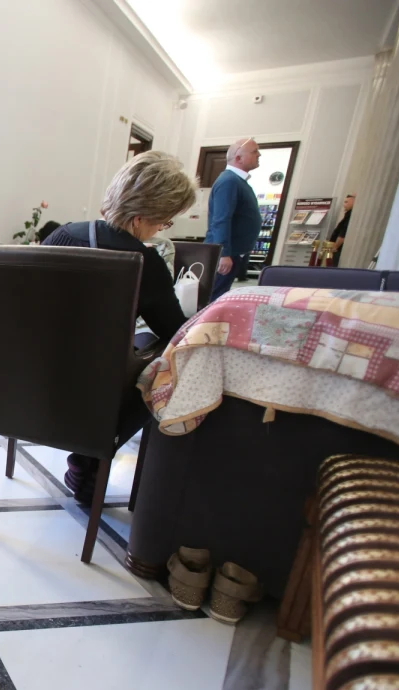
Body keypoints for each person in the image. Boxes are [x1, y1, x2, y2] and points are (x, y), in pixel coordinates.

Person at [41, 151, 197, 504]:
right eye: (164, 222)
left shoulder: (60, 236)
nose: (162, 229)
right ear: (142, 217)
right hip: (92, 401)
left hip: (34, 385)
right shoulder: (145, 261)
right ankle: (93, 455)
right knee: (165, 363)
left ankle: (86, 457)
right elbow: (176, 330)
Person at [206, 137, 262, 300]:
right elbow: (221, 219)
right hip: (226, 253)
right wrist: (224, 253)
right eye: (254, 152)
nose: (259, 155)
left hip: (234, 251)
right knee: (213, 296)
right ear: (238, 158)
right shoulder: (229, 181)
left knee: (219, 294)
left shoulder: (237, 181)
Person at [329, 193, 355, 266]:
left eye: (346, 202)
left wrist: (335, 246)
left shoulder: (350, 215)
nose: (344, 204)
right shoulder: (347, 214)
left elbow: (343, 232)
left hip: (338, 249)